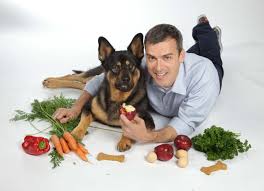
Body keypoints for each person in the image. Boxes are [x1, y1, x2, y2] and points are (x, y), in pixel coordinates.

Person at [53, 15, 224, 144]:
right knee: (192, 51)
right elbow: (100, 80)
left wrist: (149, 136)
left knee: (210, 47)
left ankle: (204, 27)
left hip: (210, 67)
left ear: (181, 56)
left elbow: (185, 122)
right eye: (152, 57)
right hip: (184, 57)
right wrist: (75, 108)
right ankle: (188, 47)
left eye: (167, 57)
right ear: (146, 56)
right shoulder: (141, 64)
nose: (158, 68)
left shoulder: (205, 79)